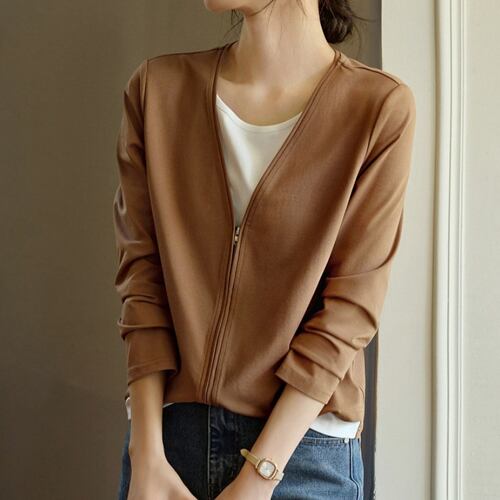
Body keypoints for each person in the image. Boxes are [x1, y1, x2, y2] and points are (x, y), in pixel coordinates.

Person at [113, 1, 417, 499]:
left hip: (303, 455)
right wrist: (145, 453)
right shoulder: (158, 90)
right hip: (168, 449)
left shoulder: (377, 106)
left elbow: (350, 309)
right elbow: (142, 280)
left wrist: (259, 478)